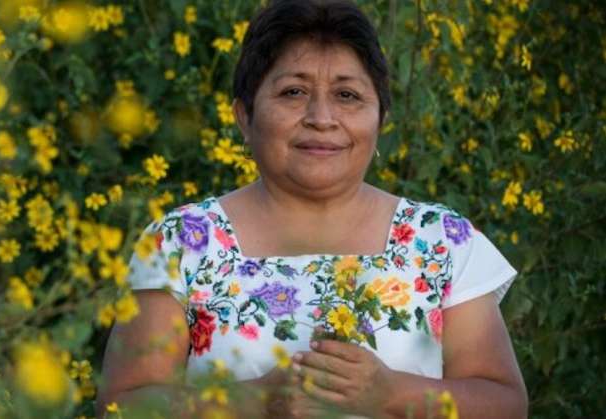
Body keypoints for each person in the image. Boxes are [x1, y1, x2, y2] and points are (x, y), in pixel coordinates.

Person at [97, 0, 528, 418]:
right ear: (244, 116)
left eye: (347, 94)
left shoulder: (442, 241)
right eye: (293, 92)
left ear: (381, 119)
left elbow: (505, 404)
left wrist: (390, 394)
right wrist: (255, 402)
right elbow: (120, 407)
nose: (322, 117)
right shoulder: (181, 243)